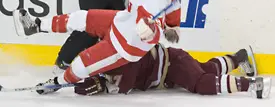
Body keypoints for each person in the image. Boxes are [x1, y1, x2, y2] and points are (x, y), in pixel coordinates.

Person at [13, 0, 180, 95]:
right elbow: (174, 1)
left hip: (123, 45)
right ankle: (35, 26)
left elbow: (155, 31)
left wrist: (151, 33)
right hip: (120, 21)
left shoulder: (152, 2)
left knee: (80, 65)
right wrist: (173, 27)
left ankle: (56, 83)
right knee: (81, 17)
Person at [73, 44, 272, 99]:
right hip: (171, 68)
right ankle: (239, 57)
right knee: (207, 69)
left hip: (172, 64)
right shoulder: (110, 58)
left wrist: (105, 86)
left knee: (202, 83)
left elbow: (125, 85)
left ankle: (254, 84)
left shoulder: (123, 56)